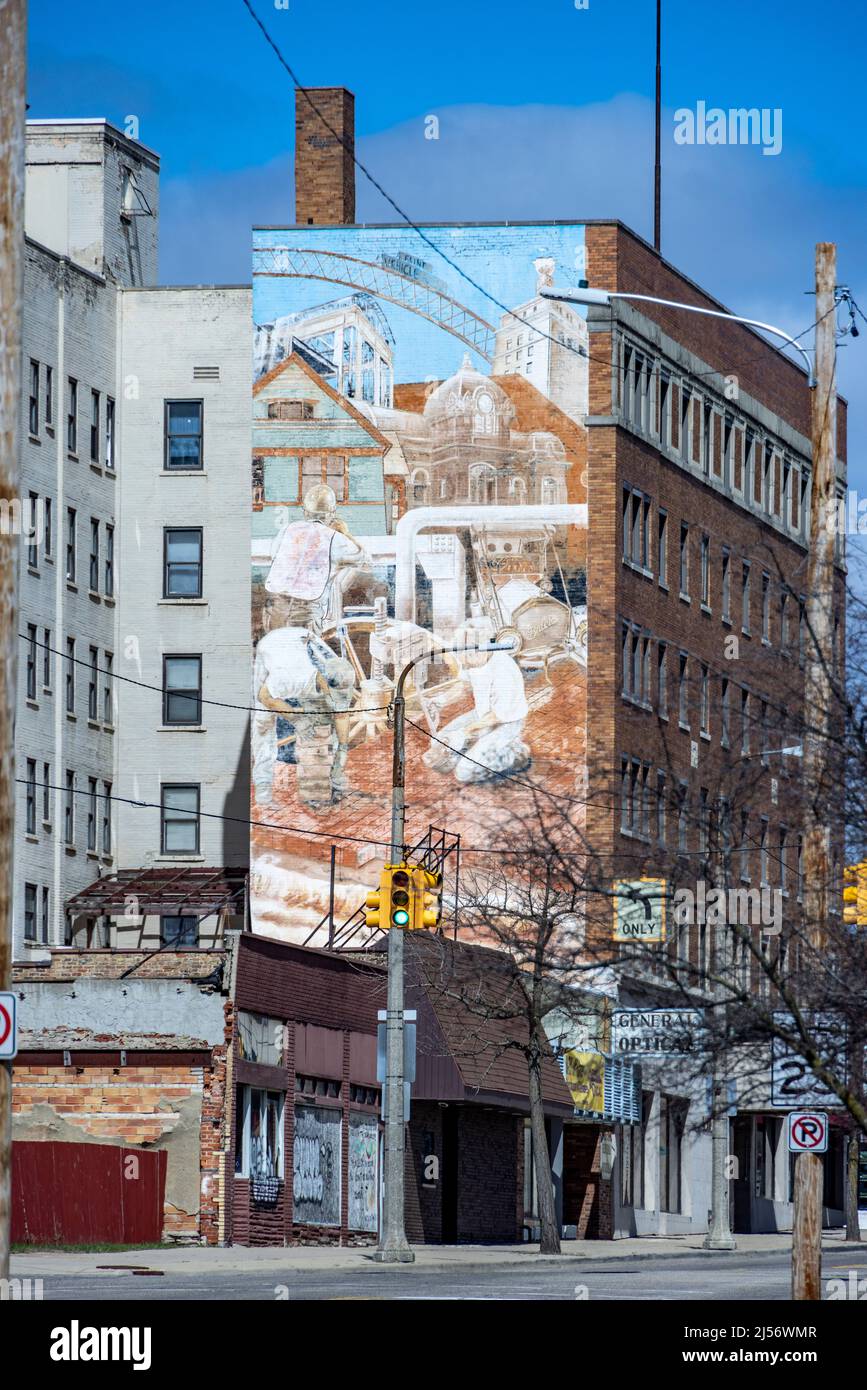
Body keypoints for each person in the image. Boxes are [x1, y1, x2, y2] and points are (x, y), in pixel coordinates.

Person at [423, 618, 531, 784]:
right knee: (437, 741)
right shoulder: (472, 659)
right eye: (462, 655)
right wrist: (440, 700)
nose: (464, 661)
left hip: (506, 722)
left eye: (467, 656)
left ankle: (515, 752)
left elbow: (497, 716)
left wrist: (464, 733)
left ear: (482, 649)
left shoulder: (504, 671)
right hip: (482, 714)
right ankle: (469, 751)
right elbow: (464, 685)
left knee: (464, 772)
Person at [263, 482, 366, 634]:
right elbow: (363, 559)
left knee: (276, 654)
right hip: (305, 615)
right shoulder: (335, 538)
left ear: (305, 512)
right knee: (305, 656)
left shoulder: (287, 529)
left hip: (274, 610)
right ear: (332, 513)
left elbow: (274, 556)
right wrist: (343, 531)